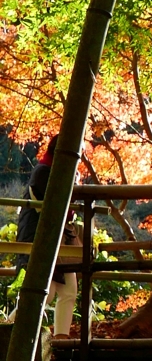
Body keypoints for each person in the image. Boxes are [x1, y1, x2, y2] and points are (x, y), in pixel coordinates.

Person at [15, 136, 79, 337]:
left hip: (59, 239)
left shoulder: (53, 170)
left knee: (68, 291)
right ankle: (11, 329)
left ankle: (61, 339)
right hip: (40, 237)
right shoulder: (44, 172)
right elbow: (51, 208)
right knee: (46, 293)